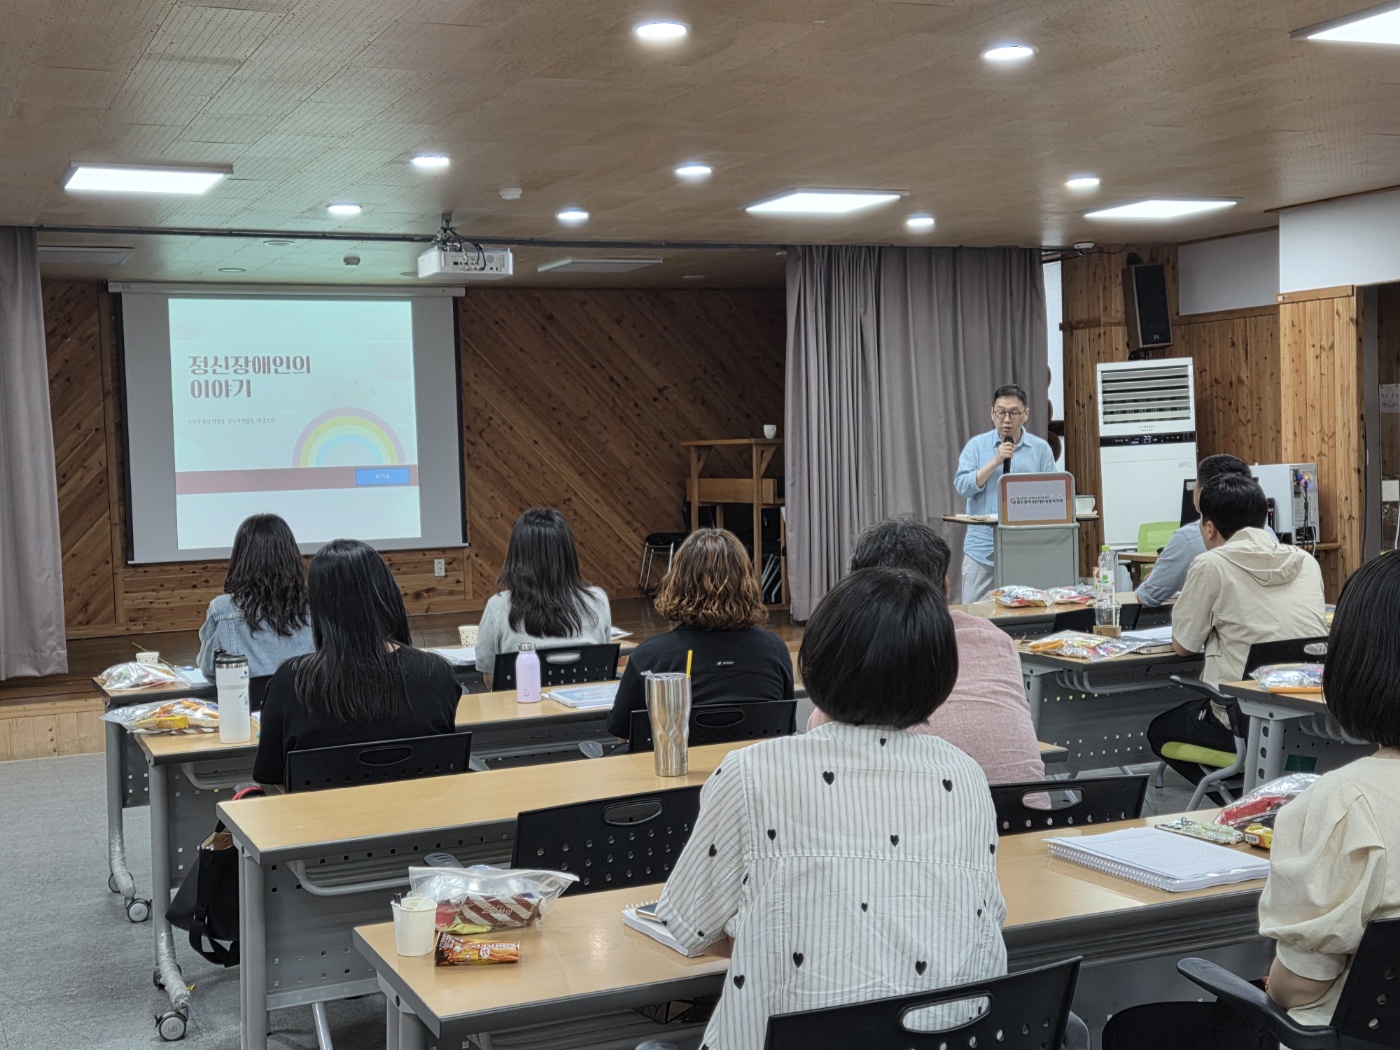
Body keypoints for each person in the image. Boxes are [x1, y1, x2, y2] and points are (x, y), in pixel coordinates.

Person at [655, 567, 1007, 1050]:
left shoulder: (751, 772)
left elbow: (687, 925)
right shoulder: (965, 775)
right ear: (939, 675)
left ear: (817, 657)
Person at [1103, 552, 1400, 1050]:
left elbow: (1301, 987)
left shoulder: (1345, 803)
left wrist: (1272, 983)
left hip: (1333, 1038)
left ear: (1354, 663)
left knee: (1135, 1030)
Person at [806, 517, 1044, 785]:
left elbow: (822, 738)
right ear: (945, 587)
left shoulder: (870, 645)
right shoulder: (995, 638)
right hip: (1027, 805)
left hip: (928, 803)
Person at [1146, 474, 1327, 789]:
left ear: (1209, 527)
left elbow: (1183, 646)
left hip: (1242, 720)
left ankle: (1239, 799)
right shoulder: (1306, 561)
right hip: (1310, 716)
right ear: (1264, 517)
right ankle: (1255, 790)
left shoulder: (1210, 564)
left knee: (1160, 730)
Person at [252, 539, 461, 788]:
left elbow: (272, 776)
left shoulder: (291, 681)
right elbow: (444, 764)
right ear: (386, 593)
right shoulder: (436, 673)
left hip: (321, 813)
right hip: (420, 810)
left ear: (319, 605)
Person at [605, 529, 793, 740]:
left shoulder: (650, 656)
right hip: (755, 760)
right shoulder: (774, 650)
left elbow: (623, 731)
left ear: (677, 583)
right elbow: (785, 724)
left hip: (677, 760)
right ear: (746, 582)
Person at [474, 507, 612, 688]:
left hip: (522, 705)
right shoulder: (598, 600)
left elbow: (490, 677)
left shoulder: (498, 606)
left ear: (517, 555)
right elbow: (603, 662)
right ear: (567, 554)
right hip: (586, 704)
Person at [953, 383, 1056, 603]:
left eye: (1014, 413)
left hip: (1026, 549)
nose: (1006, 419)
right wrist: (995, 461)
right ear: (992, 413)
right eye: (1001, 412)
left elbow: (1053, 496)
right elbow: (962, 486)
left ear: (1026, 414)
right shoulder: (976, 446)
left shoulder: (1040, 450)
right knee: (977, 614)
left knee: (1026, 613)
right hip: (982, 550)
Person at [196, 513, 315, 694]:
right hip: (305, 705)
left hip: (245, 706)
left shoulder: (222, 609)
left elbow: (210, 671)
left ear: (241, 557)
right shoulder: (313, 605)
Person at [1137, 453, 1260, 607]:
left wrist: (1162, 578)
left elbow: (1147, 597)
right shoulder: (1267, 533)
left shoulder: (1189, 539)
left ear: (1203, 492)